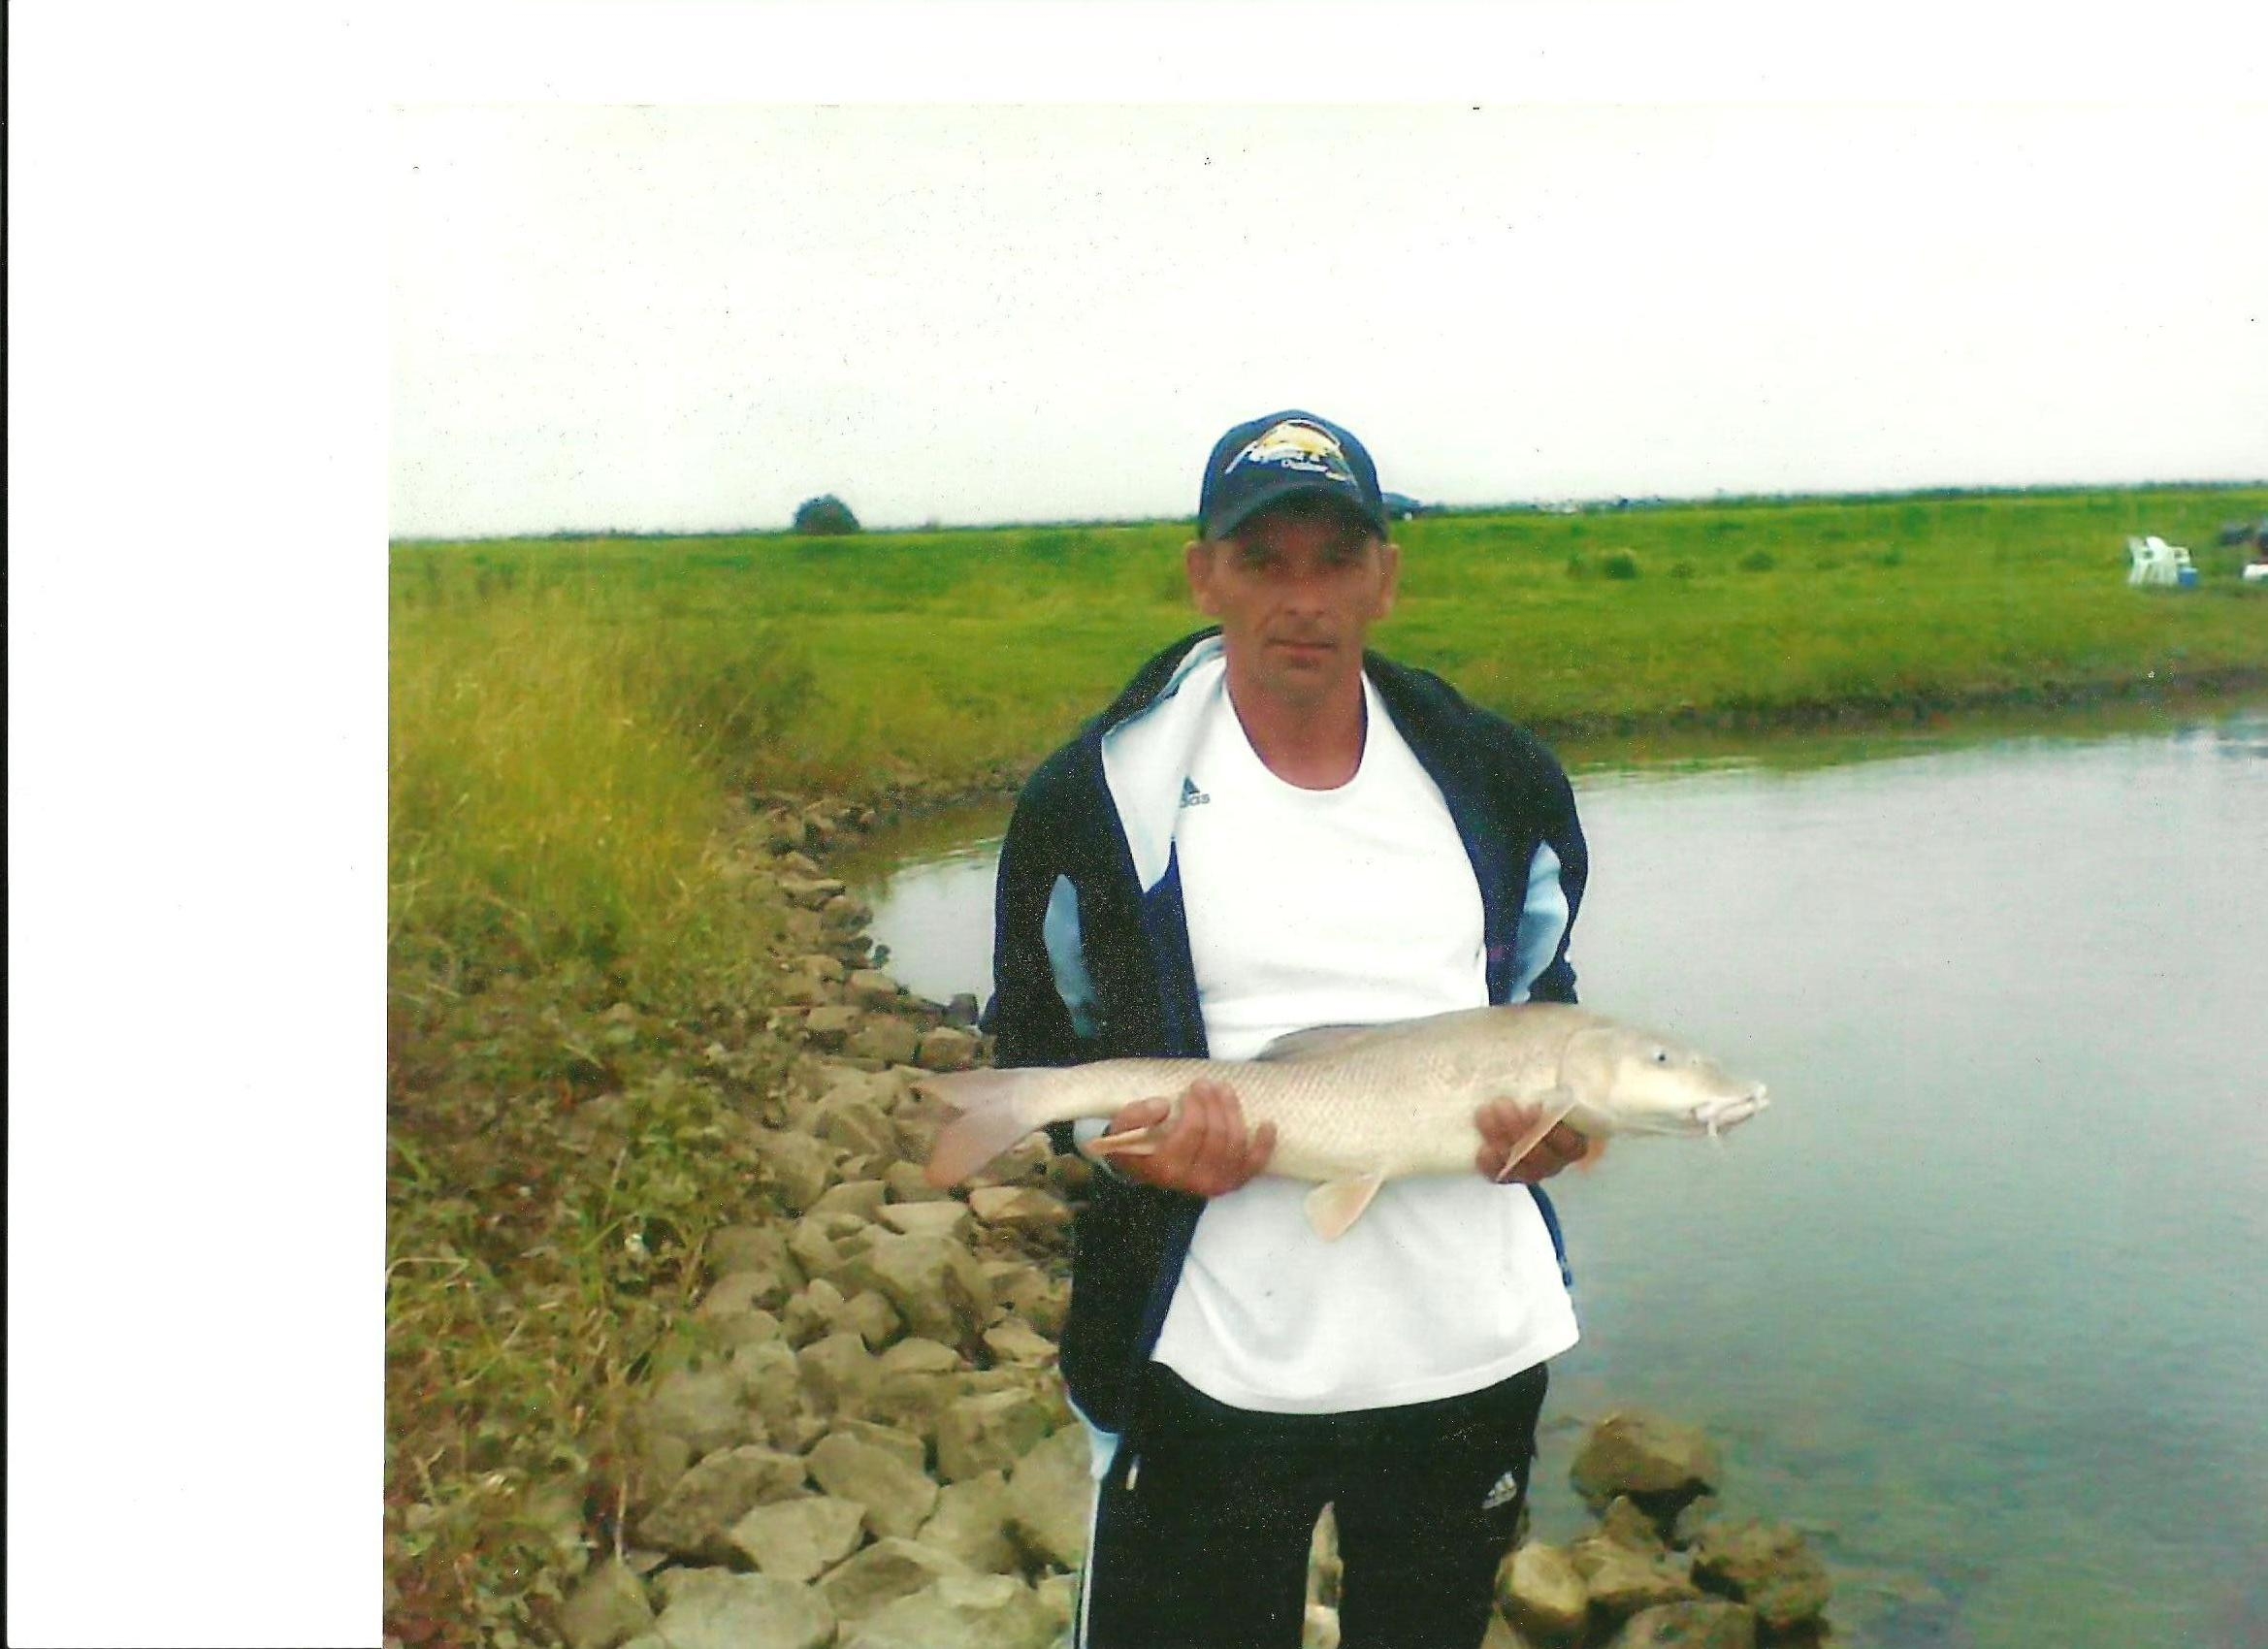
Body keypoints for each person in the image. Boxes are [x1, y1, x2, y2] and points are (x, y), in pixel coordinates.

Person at [984, 410, 1592, 1649]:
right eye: (1263, 560)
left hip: (1465, 1360)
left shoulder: (1499, 778)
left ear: (1385, 578)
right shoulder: (1094, 798)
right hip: (1211, 1362)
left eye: (1335, 559)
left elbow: (1546, 1003)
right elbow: (1043, 1047)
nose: (1301, 598)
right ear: (1203, 573)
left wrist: (1566, 1129)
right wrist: (1128, 1147)